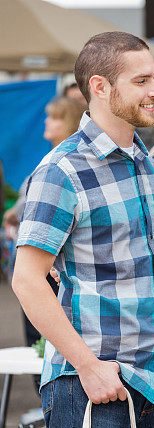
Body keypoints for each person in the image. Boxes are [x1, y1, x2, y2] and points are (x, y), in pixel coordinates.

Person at [11, 31, 154, 428]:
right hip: (94, 382)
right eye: (141, 80)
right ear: (101, 87)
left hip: (152, 380)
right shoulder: (63, 169)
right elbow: (27, 279)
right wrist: (89, 368)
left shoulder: (144, 160)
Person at [3, 96, 87, 346]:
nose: (46, 122)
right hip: (42, 259)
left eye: (55, 117)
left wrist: (12, 215)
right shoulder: (55, 157)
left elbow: (26, 204)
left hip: (52, 260)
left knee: (42, 335)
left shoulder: (59, 163)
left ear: (68, 121)